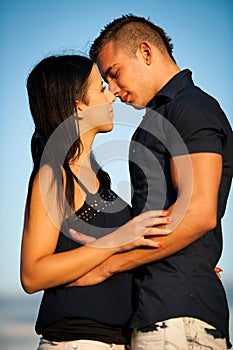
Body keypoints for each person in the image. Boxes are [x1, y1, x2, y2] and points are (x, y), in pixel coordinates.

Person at [70, 15, 233, 349]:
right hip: (162, 313)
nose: (112, 90)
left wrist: (109, 267)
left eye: (114, 73)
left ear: (146, 52)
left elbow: (199, 212)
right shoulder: (162, 118)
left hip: (176, 318)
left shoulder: (190, 108)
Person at [20, 54, 171, 350]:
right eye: (101, 88)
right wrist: (119, 239)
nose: (112, 95)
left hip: (117, 341)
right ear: (79, 105)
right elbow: (32, 274)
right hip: (75, 341)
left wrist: (174, 264)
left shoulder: (101, 180)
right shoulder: (53, 174)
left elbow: (114, 260)